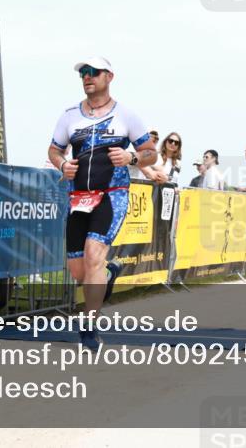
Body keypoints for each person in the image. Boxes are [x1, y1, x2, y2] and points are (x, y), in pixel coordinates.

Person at [47, 56, 157, 350]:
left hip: (113, 193)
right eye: (83, 73)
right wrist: (61, 166)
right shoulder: (70, 115)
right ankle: (109, 274)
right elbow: (55, 150)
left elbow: (150, 153)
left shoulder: (127, 115)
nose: (87, 77)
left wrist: (132, 157)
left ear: (109, 76)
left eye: (93, 72)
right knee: (79, 272)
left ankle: (88, 328)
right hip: (78, 197)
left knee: (94, 255)